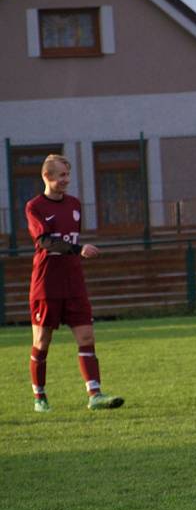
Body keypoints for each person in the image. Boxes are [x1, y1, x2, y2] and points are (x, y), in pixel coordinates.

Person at [25, 154, 124, 412]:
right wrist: (78, 248)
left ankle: (95, 394)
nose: (66, 180)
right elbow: (44, 242)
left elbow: (69, 240)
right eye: (62, 175)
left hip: (74, 282)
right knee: (42, 341)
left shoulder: (75, 204)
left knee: (86, 336)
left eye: (68, 175)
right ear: (47, 177)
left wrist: (76, 251)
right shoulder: (34, 207)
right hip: (46, 284)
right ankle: (40, 396)